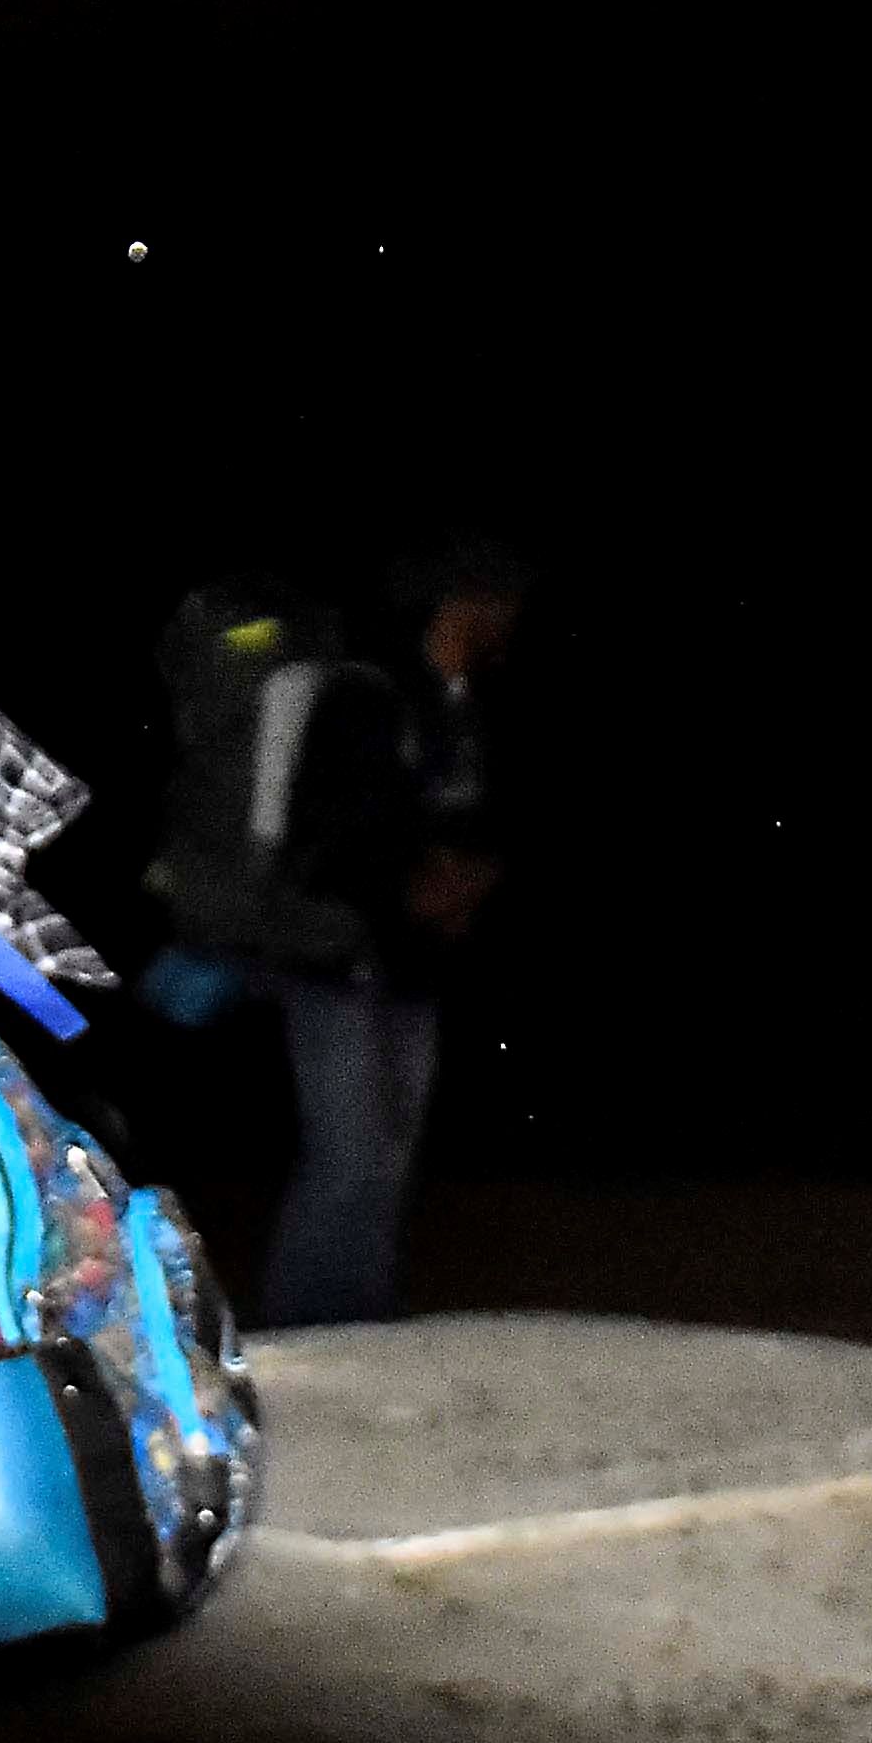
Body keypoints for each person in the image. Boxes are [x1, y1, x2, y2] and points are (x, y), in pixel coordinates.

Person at [256, 538, 521, 1330]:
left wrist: (471, 875)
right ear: (463, 601)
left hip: (412, 963)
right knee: (348, 1162)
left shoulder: (464, 701)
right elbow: (327, 837)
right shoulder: (368, 693)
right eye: (501, 600)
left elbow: (469, 818)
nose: (512, 616)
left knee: (384, 1165)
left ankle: (361, 1328)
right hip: (338, 958)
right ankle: (297, 1333)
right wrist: (419, 878)